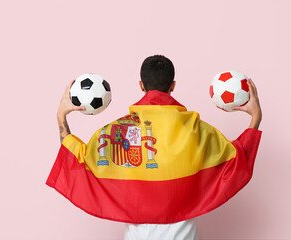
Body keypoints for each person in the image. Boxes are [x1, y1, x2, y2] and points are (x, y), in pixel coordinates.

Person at [47, 55, 262, 240]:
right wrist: (255, 117)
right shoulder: (196, 129)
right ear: (173, 85)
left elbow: (77, 159)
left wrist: (61, 115)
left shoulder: (118, 132)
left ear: (141, 86)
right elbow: (236, 161)